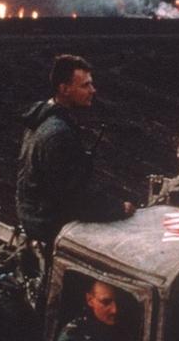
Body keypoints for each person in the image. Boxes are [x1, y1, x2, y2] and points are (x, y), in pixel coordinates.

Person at [16, 55, 134, 246]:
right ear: (64, 89)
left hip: (32, 213)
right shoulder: (58, 134)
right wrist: (118, 208)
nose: (92, 91)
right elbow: (73, 198)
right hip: (47, 223)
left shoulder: (41, 118)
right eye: (85, 85)